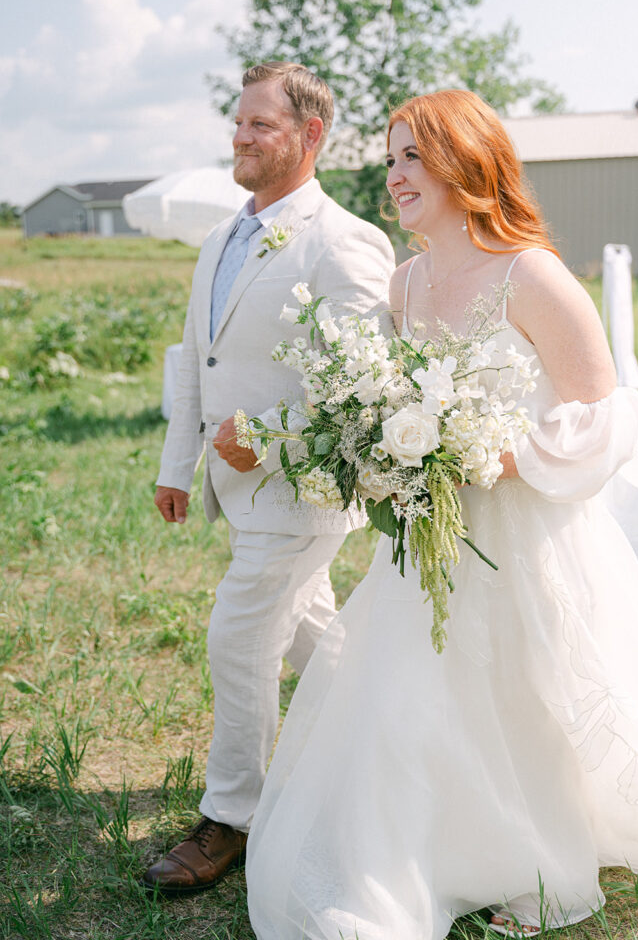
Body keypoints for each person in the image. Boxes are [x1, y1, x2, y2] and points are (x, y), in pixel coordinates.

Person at [245, 90, 638, 938]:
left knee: (520, 692)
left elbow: (609, 412)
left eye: (413, 156)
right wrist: (383, 450)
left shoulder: (531, 272)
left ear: (464, 161)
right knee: (413, 696)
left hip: (526, 535)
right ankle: (423, 846)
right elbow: (383, 399)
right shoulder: (405, 284)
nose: (396, 176)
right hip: (429, 533)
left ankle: (527, 852)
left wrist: (497, 452)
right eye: (390, 158)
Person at [143, 62, 394, 895]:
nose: (240, 138)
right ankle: (391, 745)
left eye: (260, 125)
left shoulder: (346, 240)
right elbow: (195, 361)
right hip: (234, 487)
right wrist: (178, 464)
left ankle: (232, 817)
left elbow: (364, 387)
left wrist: (273, 436)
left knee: (239, 634)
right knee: (317, 640)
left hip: (302, 491)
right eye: (239, 123)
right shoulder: (219, 239)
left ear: (309, 135)